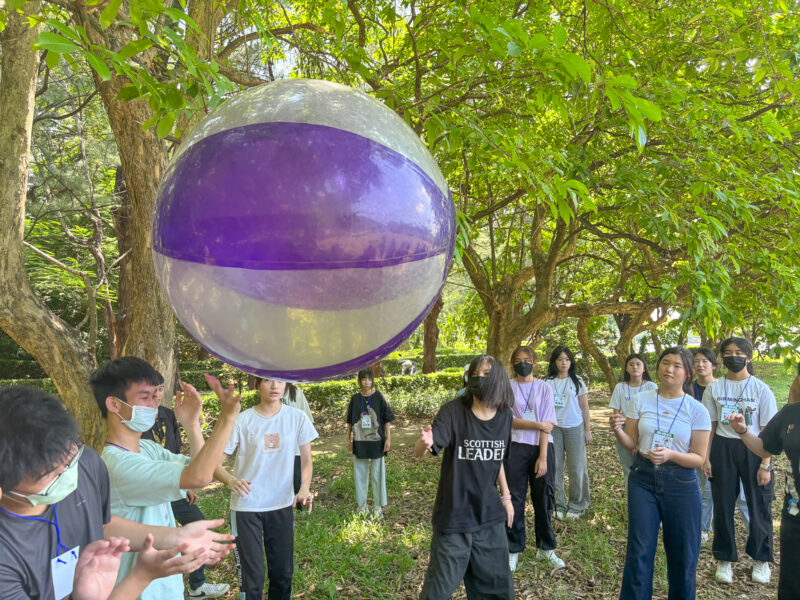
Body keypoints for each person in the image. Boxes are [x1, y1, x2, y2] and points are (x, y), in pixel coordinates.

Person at [0, 385, 233, 600]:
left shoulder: (88, 465)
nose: (69, 474)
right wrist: (140, 576)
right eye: (52, 474)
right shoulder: (5, 559)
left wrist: (175, 537)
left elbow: (101, 524)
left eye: (70, 459)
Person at [90, 357, 241, 599]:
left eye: (156, 396)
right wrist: (227, 418)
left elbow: (202, 466)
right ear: (114, 404)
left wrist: (192, 425)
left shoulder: (148, 448)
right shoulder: (119, 465)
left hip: (165, 587)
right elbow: (199, 476)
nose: (155, 404)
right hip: (141, 592)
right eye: (145, 397)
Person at [612, 347, 711, 600]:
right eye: (665, 363)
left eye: (677, 365)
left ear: (687, 373)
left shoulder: (696, 409)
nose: (669, 369)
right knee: (640, 548)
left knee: (683, 552)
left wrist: (671, 455)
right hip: (642, 478)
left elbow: (698, 458)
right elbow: (632, 442)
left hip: (681, 481)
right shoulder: (641, 399)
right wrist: (618, 431)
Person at [414, 354, 515, 600]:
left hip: (489, 517)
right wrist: (424, 442)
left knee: (497, 591)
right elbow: (423, 450)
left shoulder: (505, 416)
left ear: (499, 380)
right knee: (437, 592)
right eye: (475, 374)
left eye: (486, 374)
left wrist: (506, 496)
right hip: (454, 518)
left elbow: (497, 457)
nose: (479, 379)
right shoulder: (452, 412)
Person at [220, 375, 317, 600]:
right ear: (257, 384)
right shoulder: (242, 420)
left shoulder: (297, 417)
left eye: (280, 381)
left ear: (286, 385)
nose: (274, 386)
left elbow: (306, 460)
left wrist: (304, 489)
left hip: (281, 504)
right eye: (266, 380)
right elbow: (215, 464)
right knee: (252, 579)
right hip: (247, 507)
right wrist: (230, 480)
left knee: (282, 574)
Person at [702, 337, 777, 584]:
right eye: (727, 352)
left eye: (738, 352)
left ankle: (761, 560)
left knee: (759, 506)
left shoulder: (761, 389)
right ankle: (724, 559)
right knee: (722, 505)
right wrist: (705, 457)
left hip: (754, 447)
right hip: (722, 449)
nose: (733, 356)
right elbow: (709, 426)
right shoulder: (714, 388)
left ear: (749, 357)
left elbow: (769, 432)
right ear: (721, 358)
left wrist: (765, 464)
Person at [142, 396, 231, 599]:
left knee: (197, 524)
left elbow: (179, 453)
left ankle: (196, 586)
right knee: (156, 538)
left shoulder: (167, 414)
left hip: (177, 483)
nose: (155, 396)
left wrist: (186, 484)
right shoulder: (135, 427)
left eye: (159, 389)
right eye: (146, 393)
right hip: (152, 486)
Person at [727, 403, 800, 599]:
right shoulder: (791, 412)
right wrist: (743, 431)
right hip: (795, 512)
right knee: (793, 578)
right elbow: (765, 447)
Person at [504, 345, 563, 572]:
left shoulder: (544, 388)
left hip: (543, 447)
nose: (522, 363)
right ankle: (513, 549)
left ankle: (545, 548)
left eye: (527, 359)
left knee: (544, 498)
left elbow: (548, 425)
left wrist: (543, 457)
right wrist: (538, 423)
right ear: (513, 364)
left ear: (535, 362)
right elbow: (508, 420)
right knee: (515, 498)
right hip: (516, 447)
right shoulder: (507, 388)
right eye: (517, 360)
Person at [691, 347, 750, 544]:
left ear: (714, 366)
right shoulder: (689, 388)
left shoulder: (722, 388)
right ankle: (703, 527)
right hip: (698, 444)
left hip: (724, 445)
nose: (700, 365)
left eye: (704, 361)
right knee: (704, 489)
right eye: (696, 361)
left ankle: (752, 531)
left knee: (737, 494)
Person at [544, 346, 592, 519]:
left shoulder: (577, 381)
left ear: (571, 362)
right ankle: (558, 504)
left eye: (566, 359)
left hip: (575, 426)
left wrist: (587, 430)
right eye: (559, 359)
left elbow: (584, 407)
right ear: (554, 362)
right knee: (555, 466)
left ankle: (577, 505)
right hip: (553, 428)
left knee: (577, 467)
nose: (563, 363)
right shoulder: (547, 382)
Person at [345, 369, 394, 517]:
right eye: (364, 379)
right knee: (360, 474)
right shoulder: (355, 399)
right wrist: (348, 438)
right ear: (359, 381)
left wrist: (388, 439)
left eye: (369, 379)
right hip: (359, 441)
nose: (367, 382)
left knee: (378, 474)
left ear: (373, 380)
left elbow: (386, 420)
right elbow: (349, 421)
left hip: (377, 442)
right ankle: (362, 506)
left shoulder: (379, 397)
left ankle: (378, 507)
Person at [607, 354, 658, 487]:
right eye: (631, 364)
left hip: (646, 431)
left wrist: (638, 440)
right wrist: (629, 438)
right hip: (624, 431)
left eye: (638, 364)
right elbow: (616, 414)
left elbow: (652, 414)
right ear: (626, 369)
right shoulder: (620, 387)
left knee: (648, 468)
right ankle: (632, 502)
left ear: (644, 369)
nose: (634, 367)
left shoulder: (651, 387)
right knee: (629, 469)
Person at [279, 382, 315, 502]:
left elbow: (307, 419)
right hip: (277, 448)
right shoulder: (272, 393)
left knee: (297, 478)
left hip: (296, 448)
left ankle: (299, 506)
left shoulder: (296, 392)